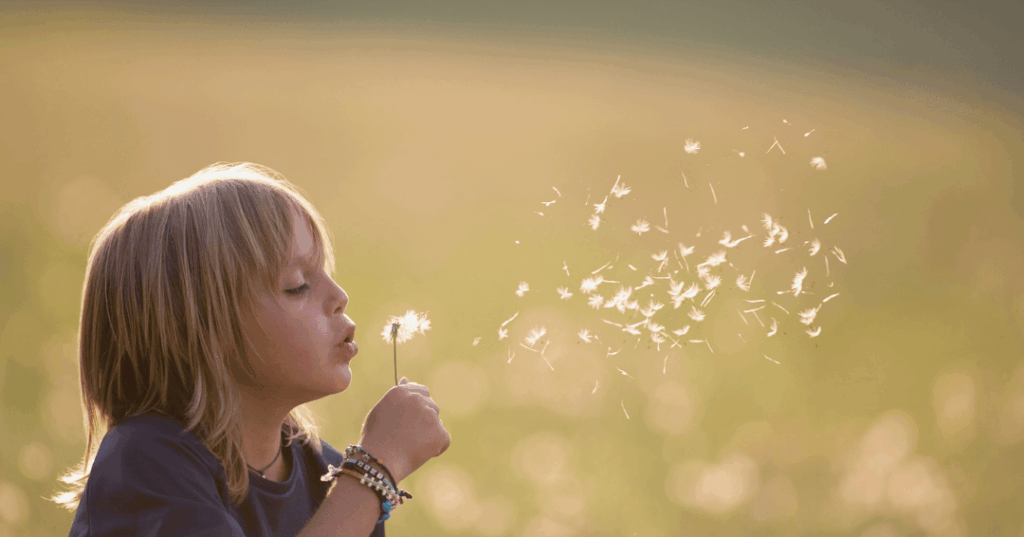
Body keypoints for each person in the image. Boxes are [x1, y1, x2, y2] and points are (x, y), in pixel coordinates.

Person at [49, 162, 451, 537]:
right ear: (205, 330)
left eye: (326, 274)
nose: (340, 296)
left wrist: (361, 483)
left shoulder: (325, 473)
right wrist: (372, 472)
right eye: (298, 285)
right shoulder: (145, 464)